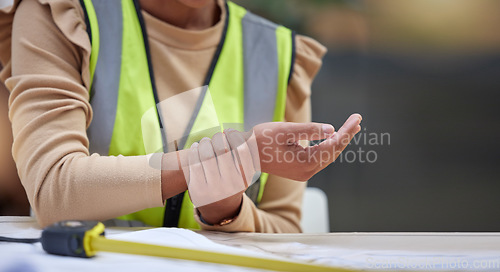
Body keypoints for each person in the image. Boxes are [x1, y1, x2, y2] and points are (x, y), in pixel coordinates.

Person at [0, 0, 361, 232]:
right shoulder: (64, 16)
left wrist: (225, 209)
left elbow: (283, 230)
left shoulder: (279, 52)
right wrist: (232, 161)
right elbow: (53, 190)